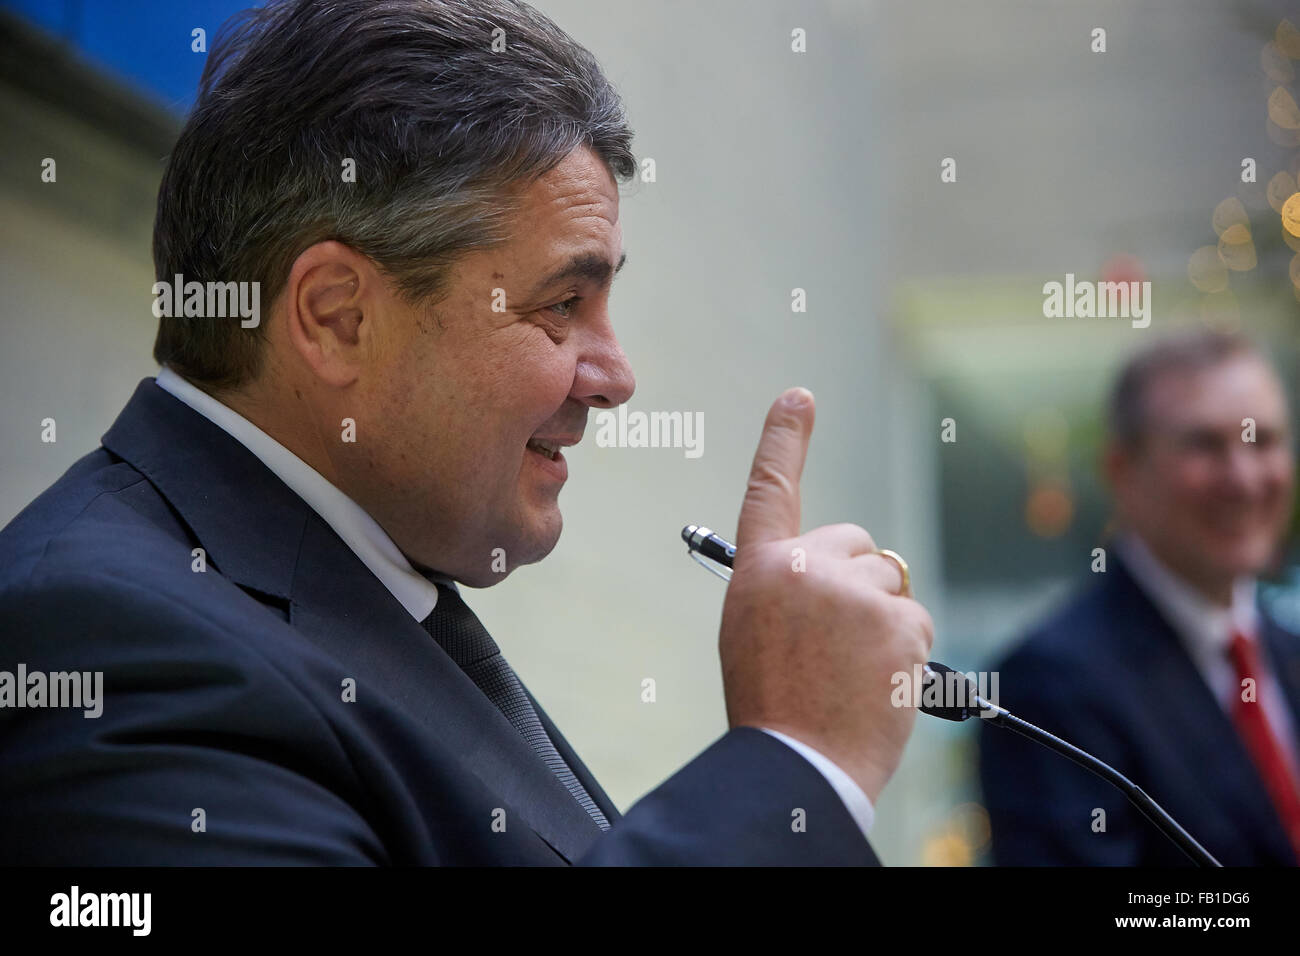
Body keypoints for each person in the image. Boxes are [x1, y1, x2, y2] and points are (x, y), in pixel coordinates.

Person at [0, 0, 933, 865]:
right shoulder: (112, 647)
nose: (615, 378)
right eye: (563, 304)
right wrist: (793, 760)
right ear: (335, 317)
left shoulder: (366, 584)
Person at [980, 330, 1300, 865]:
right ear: (1122, 471)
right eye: (1205, 444)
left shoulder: (1288, 653)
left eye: (1262, 441)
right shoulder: (1050, 687)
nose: (1243, 479)